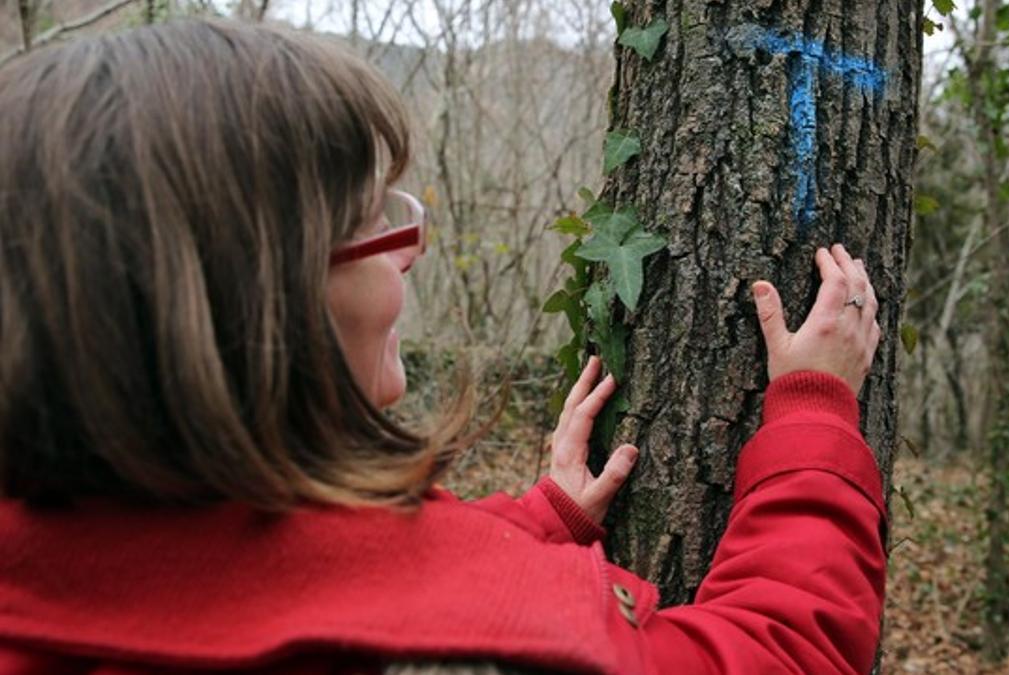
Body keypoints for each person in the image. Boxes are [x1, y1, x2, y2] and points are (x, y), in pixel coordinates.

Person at [0, 17, 886, 675]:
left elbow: (263, 564)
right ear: (253, 307)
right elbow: (782, 650)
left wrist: (539, 523)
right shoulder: (475, 649)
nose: (410, 249)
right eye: (372, 223)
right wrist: (814, 415)